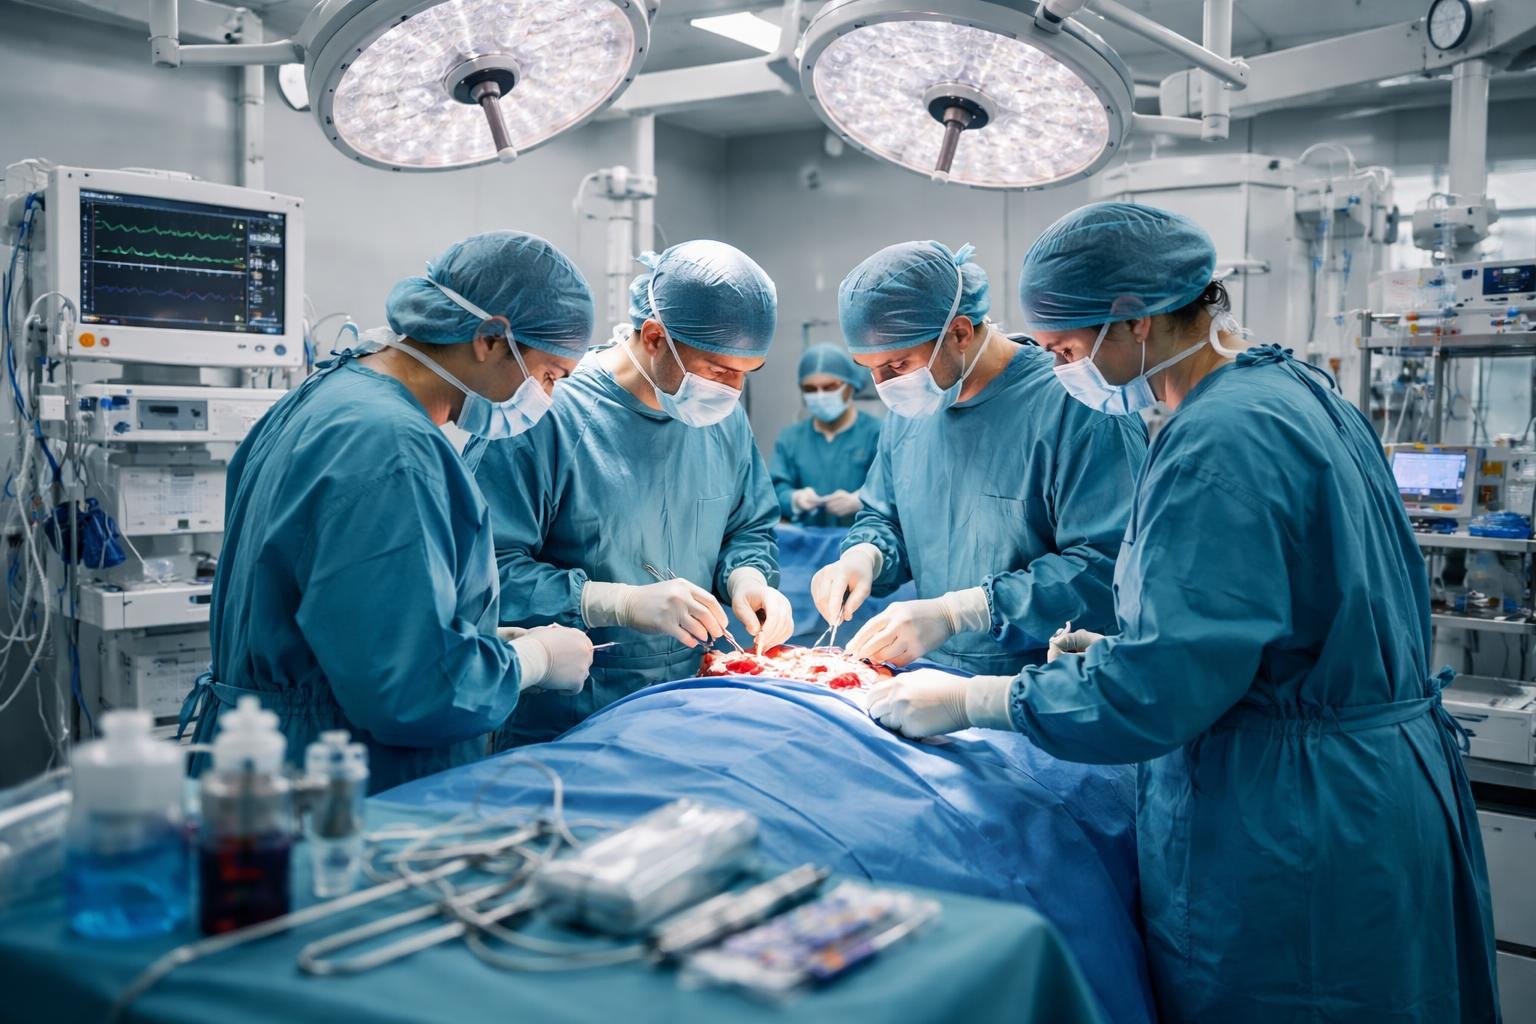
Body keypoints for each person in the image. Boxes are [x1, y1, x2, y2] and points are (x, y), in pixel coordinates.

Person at [866, 203, 1501, 1022]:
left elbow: (1157, 689)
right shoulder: (1294, 389)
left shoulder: (1215, 440)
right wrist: (1118, 646)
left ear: (1134, 321)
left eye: (1064, 351)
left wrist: (972, 700)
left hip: (1296, 824)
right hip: (1373, 788)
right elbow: (1266, 619)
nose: (1058, 369)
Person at [180, 232, 596, 793]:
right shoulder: (393, 448)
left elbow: (347, 611)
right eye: (549, 375)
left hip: (265, 756)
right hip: (335, 780)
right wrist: (534, 661)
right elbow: (411, 690)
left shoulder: (328, 395)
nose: (546, 398)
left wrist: (472, 642)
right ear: (491, 339)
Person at [468, 240, 793, 748]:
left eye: (745, 374)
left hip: (690, 701)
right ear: (655, 337)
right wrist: (614, 602)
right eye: (718, 371)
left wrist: (747, 577)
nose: (732, 391)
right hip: (566, 718)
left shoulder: (723, 419)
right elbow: (486, 572)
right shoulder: (547, 413)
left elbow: (746, 526)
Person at [810, 241, 1147, 674]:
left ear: (960, 333)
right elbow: (888, 517)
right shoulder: (910, 414)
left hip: (1048, 681)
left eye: (897, 365)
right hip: (931, 676)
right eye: (868, 369)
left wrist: (964, 612)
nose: (883, 386)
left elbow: (1108, 564)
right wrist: (865, 555)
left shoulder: (1078, 406)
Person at [770, 344, 881, 528]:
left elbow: (892, 489)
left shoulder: (877, 433)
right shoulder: (791, 439)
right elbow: (774, 492)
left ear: (850, 386)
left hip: (863, 539)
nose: (820, 395)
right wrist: (795, 499)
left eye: (829, 387)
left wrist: (862, 500)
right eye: (810, 389)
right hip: (807, 542)